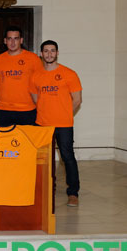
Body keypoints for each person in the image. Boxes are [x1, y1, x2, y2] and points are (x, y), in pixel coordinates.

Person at [30, 40, 83, 207]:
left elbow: (77, 100)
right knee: (44, 159)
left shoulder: (69, 74)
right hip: (43, 124)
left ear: (57, 53)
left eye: (52, 51)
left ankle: (73, 193)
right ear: (41, 54)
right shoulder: (36, 75)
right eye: (46, 51)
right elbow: (35, 99)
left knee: (67, 158)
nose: (49, 54)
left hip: (64, 125)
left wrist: (64, 114)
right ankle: (47, 188)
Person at [0, 26, 43, 126]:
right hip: (3, 109)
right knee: (3, 141)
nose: (12, 42)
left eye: (16, 38)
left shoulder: (33, 59)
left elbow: (40, 82)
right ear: (5, 41)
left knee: (27, 141)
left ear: (21, 40)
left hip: (27, 109)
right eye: (9, 39)